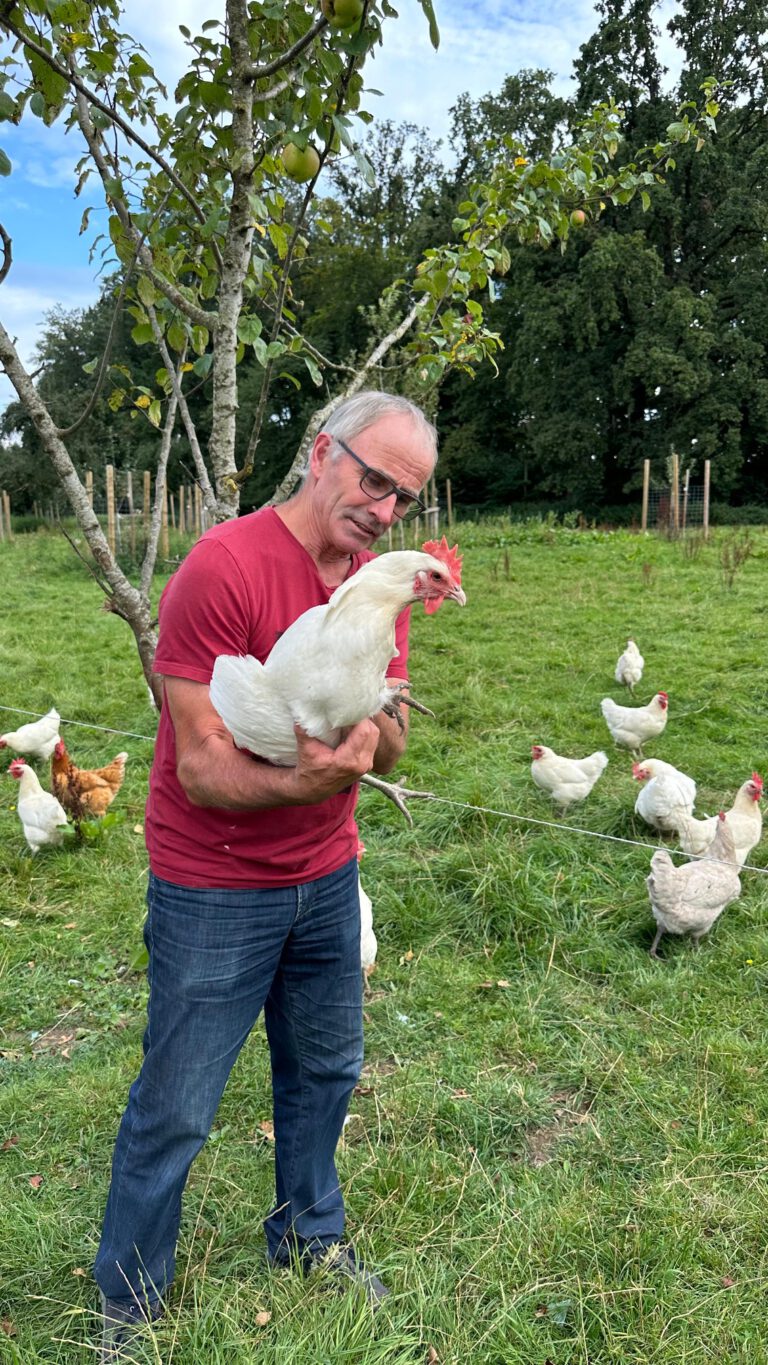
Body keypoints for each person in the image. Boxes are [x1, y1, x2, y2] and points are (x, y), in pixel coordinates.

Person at [94, 391, 438, 1358]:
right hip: (214, 882)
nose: (382, 507)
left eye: (403, 497)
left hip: (329, 873)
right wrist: (309, 776)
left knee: (325, 1070)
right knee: (179, 1102)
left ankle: (309, 1237)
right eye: (373, 478)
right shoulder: (225, 566)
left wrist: (378, 741)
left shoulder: (375, 587)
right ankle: (127, 1299)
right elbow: (200, 762)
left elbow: (393, 735)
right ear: (321, 452)